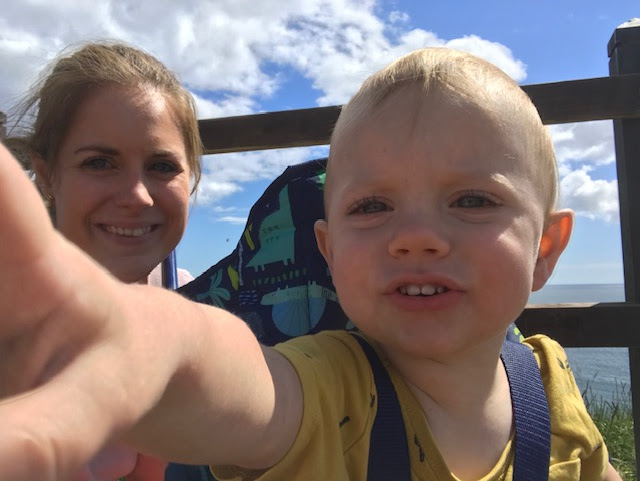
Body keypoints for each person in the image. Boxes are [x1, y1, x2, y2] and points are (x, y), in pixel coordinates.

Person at [0, 48, 622, 480]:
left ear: (545, 249)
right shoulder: (329, 389)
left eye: (473, 200)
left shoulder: (549, 382)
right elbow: (236, 381)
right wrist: (152, 339)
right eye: (373, 206)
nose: (415, 237)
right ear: (329, 250)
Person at [4, 40, 202, 480]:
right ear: (48, 173)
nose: (136, 195)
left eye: (163, 166)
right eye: (99, 163)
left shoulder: (192, 302)